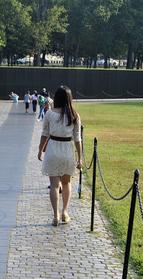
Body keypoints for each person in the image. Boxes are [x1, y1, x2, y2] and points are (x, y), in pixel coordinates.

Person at [37, 85, 82, 226]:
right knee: (67, 183)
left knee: (54, 185)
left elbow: (44, 134)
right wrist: (80, 158)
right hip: (67, 150)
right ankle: (65, 212)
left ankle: (55, 215)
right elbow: (77, 139)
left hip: (53, 150)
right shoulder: (74, 115)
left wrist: (40, 150)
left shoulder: (50, 114)